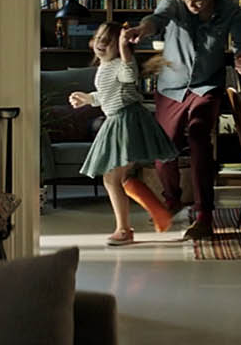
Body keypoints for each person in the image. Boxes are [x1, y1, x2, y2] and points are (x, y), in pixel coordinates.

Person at [121, 0, 241, 239]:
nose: (191, 5)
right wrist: (142, 30)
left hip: (207, 86)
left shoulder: (230, 11)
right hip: (171, 87)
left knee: (198, 137)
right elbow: (157, 19)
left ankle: (204, 215)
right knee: (164, 149)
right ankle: (171, 200)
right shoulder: (174, 0)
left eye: (199, 0)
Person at [71, 21, 179, 246]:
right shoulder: (105, 66)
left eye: (108, 41)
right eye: (99, 38)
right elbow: (108, 94)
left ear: (122, 46)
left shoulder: (121, 64)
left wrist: (123, 48)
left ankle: (124, 230)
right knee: (123, 177)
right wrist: (88, 99)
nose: (101, 43)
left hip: (125, 120)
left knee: (111, 178)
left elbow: (130, 76)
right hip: (120, 118)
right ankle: (159, 212)